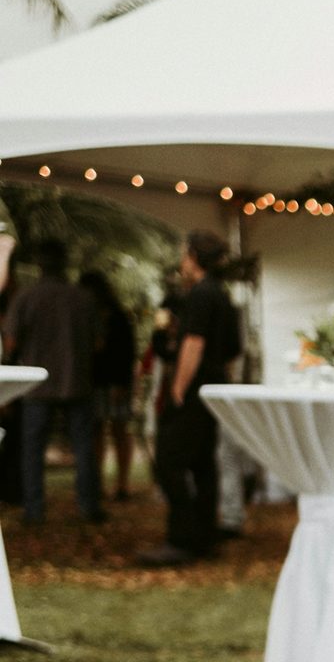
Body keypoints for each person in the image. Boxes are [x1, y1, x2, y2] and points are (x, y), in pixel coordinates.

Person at [138, 231, 238, 566]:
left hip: (194, 388)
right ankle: (205, 536)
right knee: (202, 463)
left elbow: (194, 344)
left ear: (194, 256)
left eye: (184, 254)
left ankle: (181, 539)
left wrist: (178, 389)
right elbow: (232, 349)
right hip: (213, 387)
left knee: (169, 460)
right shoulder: (221, 295)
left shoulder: (200, 295)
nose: (181, 261)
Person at [2, 239, 103, 524]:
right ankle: (89, 506)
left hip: (37, 386)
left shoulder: (26, 297)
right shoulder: (83, 298)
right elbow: (98, 343)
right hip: (77, 380)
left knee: (32, 450)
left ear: (38, 265)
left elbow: (10, 342)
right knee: (84, 449)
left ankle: (34, 510)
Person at [80, 271, 137, 502]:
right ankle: (99, 483)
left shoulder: (118, 317)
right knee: (96, 432)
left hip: (116, 383)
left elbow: (128, 352)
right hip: (94, 382)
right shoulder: (85, 317)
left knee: (119, 430)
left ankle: (122, 483)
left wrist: (122, 382)